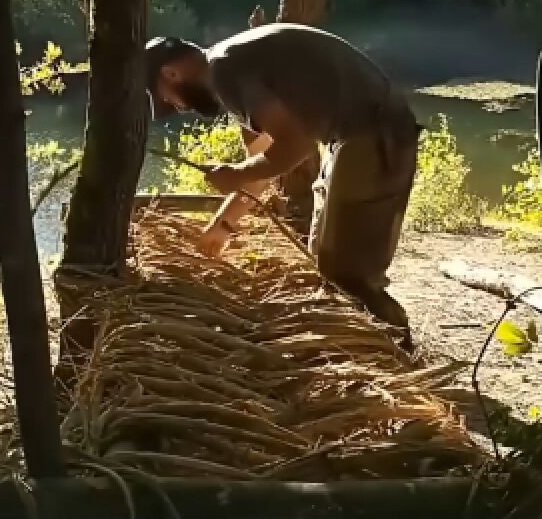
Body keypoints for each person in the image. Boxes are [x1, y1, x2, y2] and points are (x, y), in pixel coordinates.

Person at [144, 22, 421, 351]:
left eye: (166, 98)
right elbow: (263, 166)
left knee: (346, 269)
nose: (178, 107)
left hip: (374, 134)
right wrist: (223, 225)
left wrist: (235, 173)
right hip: (347, 137)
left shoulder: (228, 71)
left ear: (171, 73)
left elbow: (293, 148)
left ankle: (395, 350)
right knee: (323, 254)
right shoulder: (228, 66)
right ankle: (361, 346)